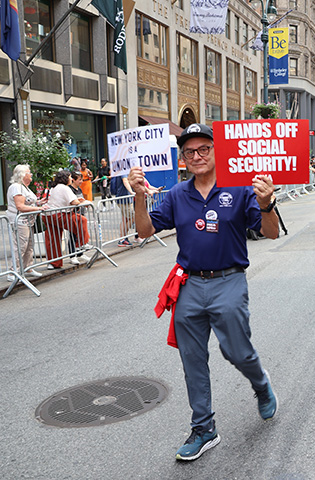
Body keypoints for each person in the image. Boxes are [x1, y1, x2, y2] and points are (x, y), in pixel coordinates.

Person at [128, 122, 279, 462]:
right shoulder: (177, 194)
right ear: (183, 158)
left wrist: (266, 202)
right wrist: (139, 195)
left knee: (237, 352)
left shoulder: (240, 188)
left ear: (216, 151)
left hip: (229, 281)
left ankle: (260, 384)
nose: (196, 156)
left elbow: (270, 233)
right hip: (189, 285)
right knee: (192, 359)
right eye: (189, 152)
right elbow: (144, 230)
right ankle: (204, 428)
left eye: (204, 149)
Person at [5, 164, 47, 280]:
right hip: (20, 221)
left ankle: (27, 267)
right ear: (23, 175)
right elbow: (20, 206)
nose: (31, 174)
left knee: (29, 246)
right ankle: (13, 272)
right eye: (29, 172)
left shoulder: (24, 187)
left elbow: (28, 202)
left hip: (28, 221)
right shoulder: (16, 187)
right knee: (20, 246)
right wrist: (38, 208)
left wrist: (39, 202)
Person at [44, 170, 92, 269]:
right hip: (58, 214)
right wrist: (81, 202)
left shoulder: (54, 187)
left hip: (49, 215)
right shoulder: (64, 188)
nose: (71, 179)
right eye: (70, 177)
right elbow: (74, 202)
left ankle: (53, 263)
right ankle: (82, 243)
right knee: (81, 220)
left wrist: (77, 201)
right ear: (65, 178)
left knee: (53, 238)